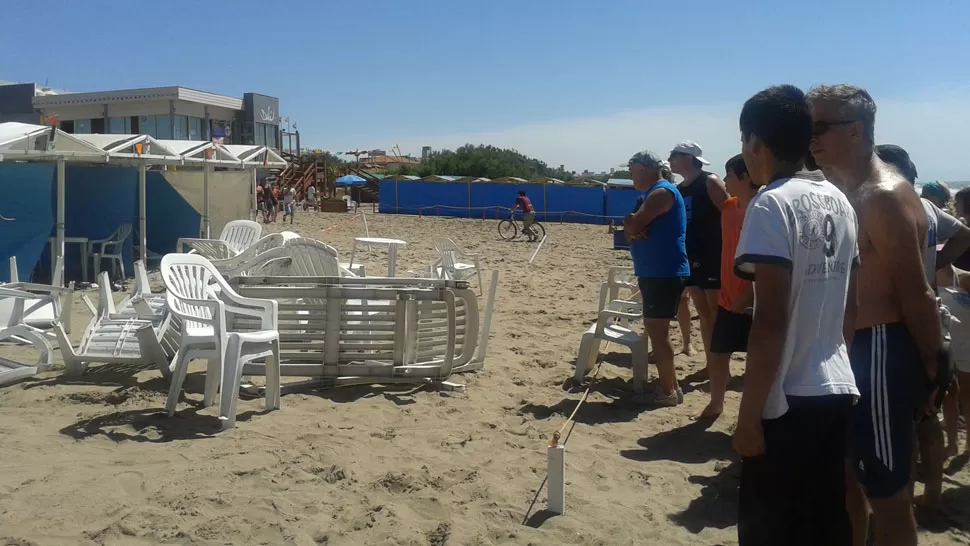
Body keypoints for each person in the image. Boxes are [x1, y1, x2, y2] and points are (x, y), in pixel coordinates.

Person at [808, 84, 941, 546]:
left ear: (857, 130)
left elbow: (916, 292)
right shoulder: (842, 190)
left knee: (889, 493)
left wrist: (934, 367)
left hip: (881, 351)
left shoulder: (880, 196)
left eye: (820, 126)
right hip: (848, 352)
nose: (811, 137)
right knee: (849, 480)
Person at [733, 84, 859, 546]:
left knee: (771, 530)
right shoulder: (840, 201)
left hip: (788, 397)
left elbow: (770, 320)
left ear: (755, 143)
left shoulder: (772, 203)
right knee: (824, 522)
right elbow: (851, 306)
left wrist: (749, 416)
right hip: (837, 385)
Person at [876, 145, 970, 498]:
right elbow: (963, 233)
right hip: (932, 312)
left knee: (901, 414)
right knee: (928, 410)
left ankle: (898, 489)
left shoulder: (889, 204)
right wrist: (937, 263)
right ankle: (931, 491)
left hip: (896, 317)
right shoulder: (928, 207)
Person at [623, 150, 689, 406]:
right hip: (657, 270)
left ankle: (668, 391)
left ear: (643, 168)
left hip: (663, 271)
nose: (631, 177)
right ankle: (671, 386)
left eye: (632, 171)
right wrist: (632, 225)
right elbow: (629, 231)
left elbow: (633, 226)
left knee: (658, 333)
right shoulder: (653, 193)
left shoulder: (661, 192)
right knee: (657, 331)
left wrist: (633, 224)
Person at [697, 154, 758, 420]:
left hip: (755, 298)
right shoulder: (729, 207)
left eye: (729, 175)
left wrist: (747, 297)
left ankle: (752, 414)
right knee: (719, 352)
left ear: (744, 176)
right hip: (727, 294)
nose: (724, 181)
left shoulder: (764, 207)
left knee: (756, 360)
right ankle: (716, 403)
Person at [668, 140, 729, 374]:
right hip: (691, 256)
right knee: (703, 313)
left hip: (713, 254)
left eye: (674, 155)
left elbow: (729, 213)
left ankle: (721, 366)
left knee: (715, 312)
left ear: (687, 158)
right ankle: (710, 364)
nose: (671, 159)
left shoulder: (710, 181)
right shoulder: (681, 188)